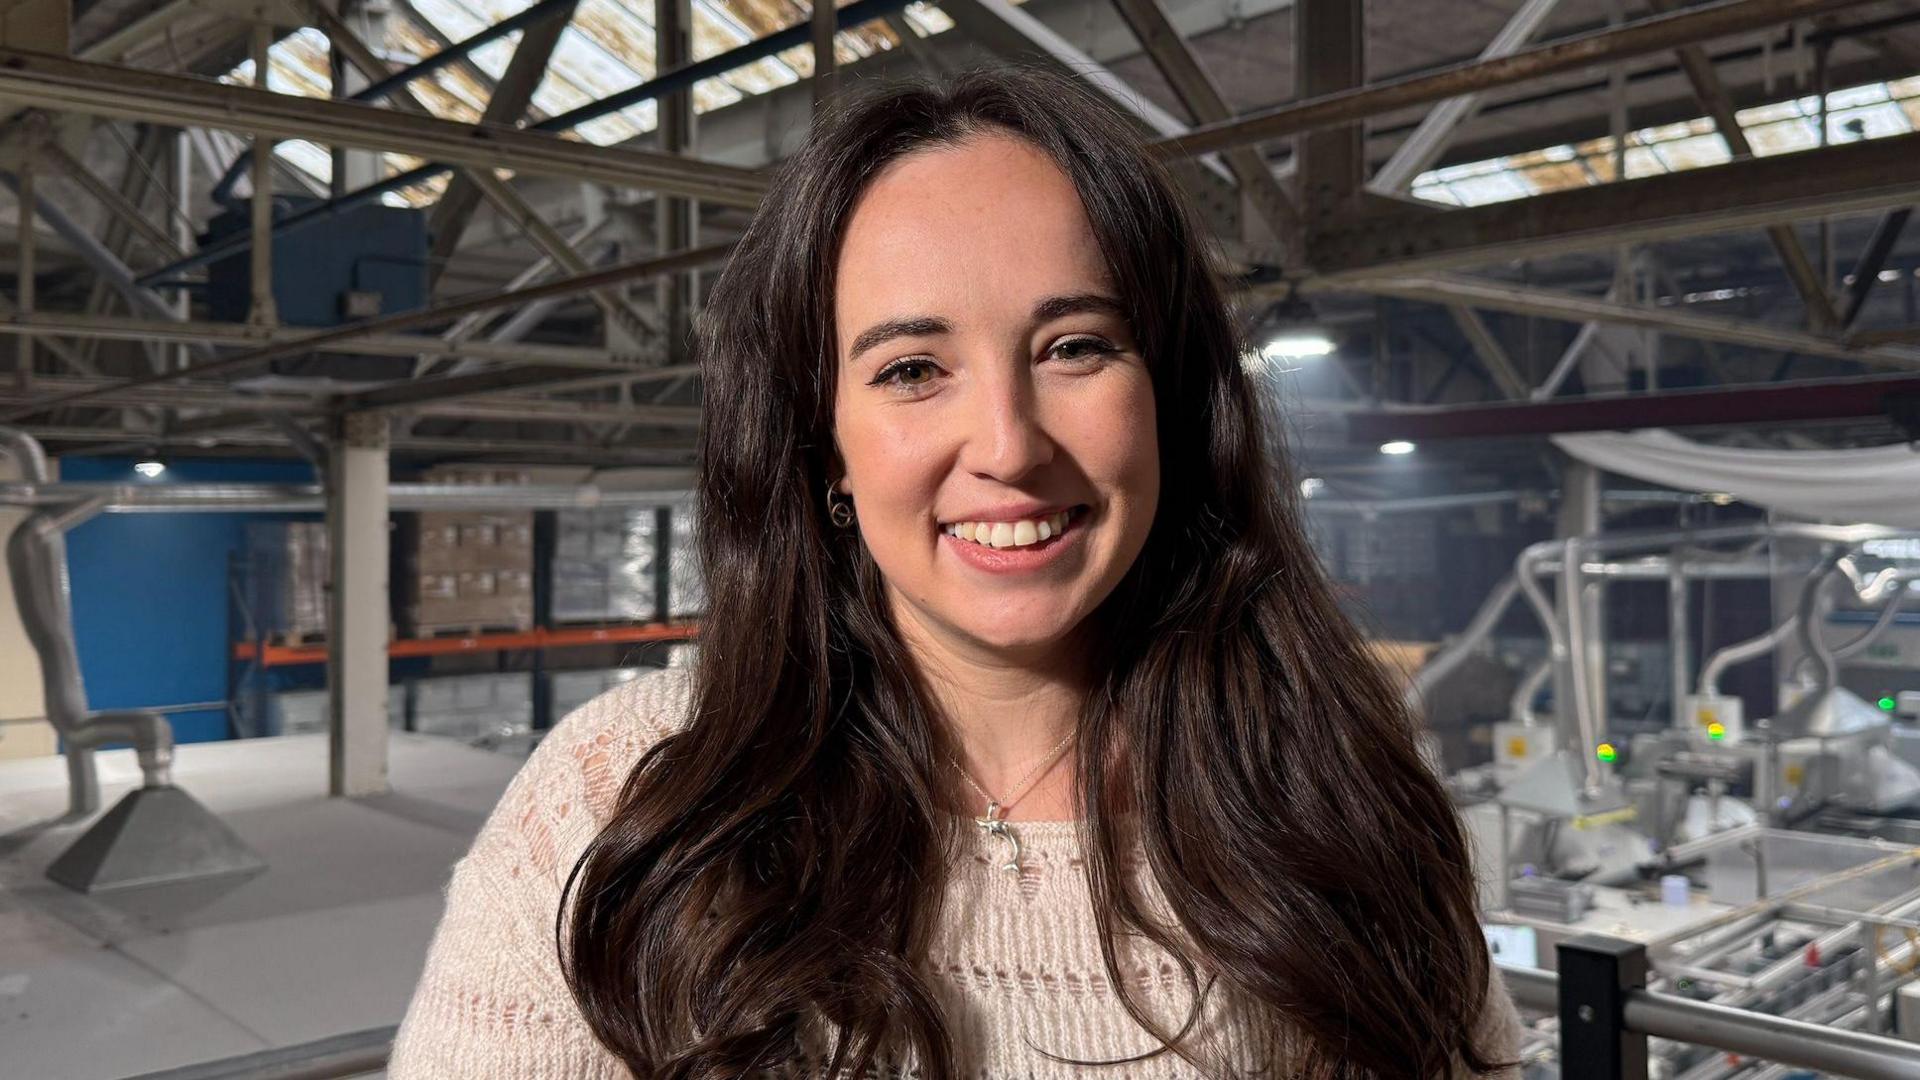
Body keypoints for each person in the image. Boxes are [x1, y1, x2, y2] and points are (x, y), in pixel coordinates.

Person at [390, 65, 1523, 1079]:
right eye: (913, 368)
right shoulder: (613, 804)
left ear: (1172, 398)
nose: (1010, 444)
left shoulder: (1335, 788)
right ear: (821, 439)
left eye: (1075, 347)